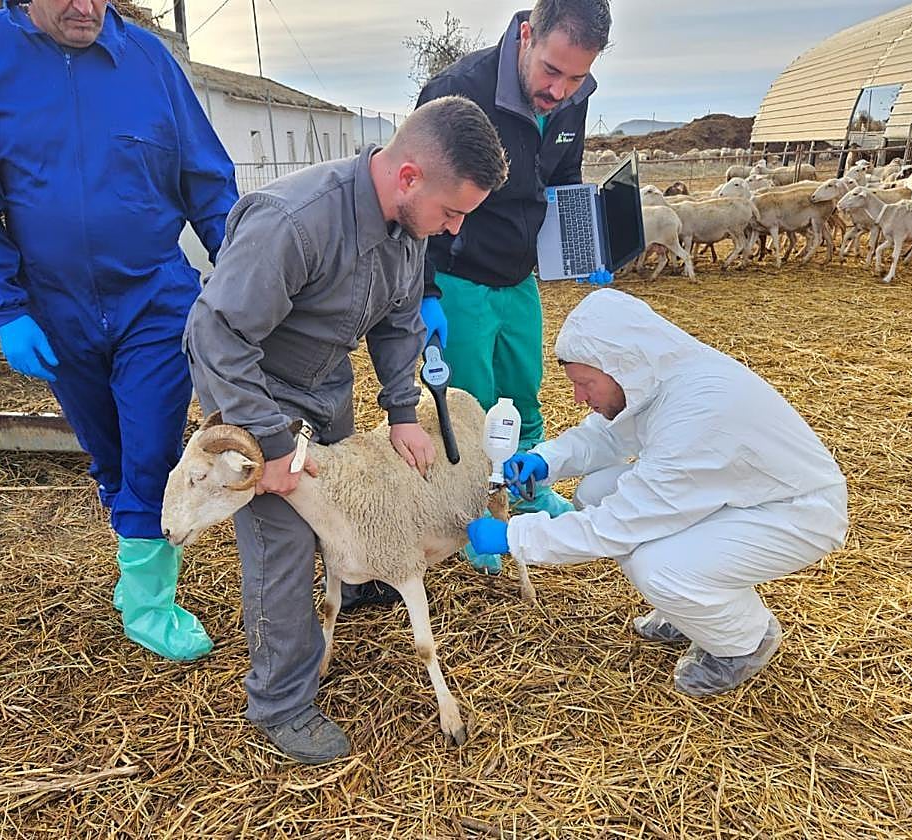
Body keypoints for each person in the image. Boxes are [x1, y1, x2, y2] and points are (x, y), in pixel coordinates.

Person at [183, 96, 509, 765]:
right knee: (281, 547)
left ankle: (356, 577)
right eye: (451, 212)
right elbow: (218, 334)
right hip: (254, 392)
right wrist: (270, 446)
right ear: (411, 176)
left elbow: (396, 323)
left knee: (347, 503)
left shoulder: (407, 228)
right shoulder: (295, 222)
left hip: (324, 386)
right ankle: (281, 701)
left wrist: (400, 413)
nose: (451, 230)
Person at [0, 0, 239, 662]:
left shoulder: (150, 62)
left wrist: (245, 275)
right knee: (107, 453)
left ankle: (151, 601)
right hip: (55, 305)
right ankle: (135, 569)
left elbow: (209, 185)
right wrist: (7, 309)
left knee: (153, 450)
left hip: (153, 298)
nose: (86, 7)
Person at [466, 289, 849, 696]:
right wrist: (547, 460)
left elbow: (619, 524)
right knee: (597, 490)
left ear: (618, 366)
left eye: (585, 383)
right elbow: (611, 435)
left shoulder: (698, 413)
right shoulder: (656, 378)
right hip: (746, 496)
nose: (579, 397)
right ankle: (692, 611)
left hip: (795, 513)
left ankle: (744, 640)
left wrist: (515, 537)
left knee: (658, 567)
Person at [413, 0, 613, 574]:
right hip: (460, 274)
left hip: (517, 275)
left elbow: (562, 179)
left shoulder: (574, 96)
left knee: (524, 388)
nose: (561, 89)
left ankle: (525, 489)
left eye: (577, 76)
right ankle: (476, 511)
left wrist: (582, 245)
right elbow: (422, 195)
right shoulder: (457, 91)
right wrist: (426, 290)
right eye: (552, 70)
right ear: (528, 35)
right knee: (472, 400)